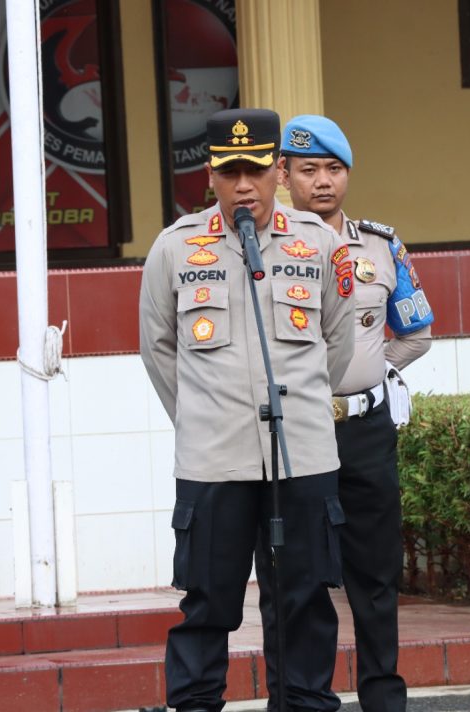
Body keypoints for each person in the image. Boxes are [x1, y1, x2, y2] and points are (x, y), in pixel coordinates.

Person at [139, 108, 356, 712]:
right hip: (213, 463)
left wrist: (306, 401)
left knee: (304, 602)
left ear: (277, 172)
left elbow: (336, 346)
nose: (243, 186)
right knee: (207, 603)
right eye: (229, 172)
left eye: (255, 171)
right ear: (209, 175)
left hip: (302, 457)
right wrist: (205, 417)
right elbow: (158, 347)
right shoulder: (176, 248)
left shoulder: (318, 244)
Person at [260, 114, 434, 712]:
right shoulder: (267, 247)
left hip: (365, 429)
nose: (323, 182)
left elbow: (417, 332)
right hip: (299, 431)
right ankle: (303, 699)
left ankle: (383, 699)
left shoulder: (381, 246)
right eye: (308, 170)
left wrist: (367, 369)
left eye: (334, 169)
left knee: (375, 576)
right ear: (282, 175)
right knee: (299, 579)